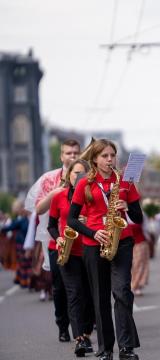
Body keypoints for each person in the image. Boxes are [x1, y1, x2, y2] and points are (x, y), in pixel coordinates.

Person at [67, 139, 143, 360]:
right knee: (100, 299)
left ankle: (127, 348)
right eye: (105, 156)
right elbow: (72, 220)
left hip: (123, 241)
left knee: (122, 293)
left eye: (112, 155)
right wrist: (93, 233)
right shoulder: (84, 184)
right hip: (94, 244)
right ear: (95, 159)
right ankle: (105, 349)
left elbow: (138, 218)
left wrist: (127, 207)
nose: (110, 160)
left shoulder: (125, 181)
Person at [31, 139, 81, 342]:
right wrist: (55, 192)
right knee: (59, 287)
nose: (72, 157)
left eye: (76, 153)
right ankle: (62, 324)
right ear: (61, 156)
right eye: (68, 153)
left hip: (83, 239)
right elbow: (39, 209)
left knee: (81, 286)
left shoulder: (84, 175)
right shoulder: (49, 179)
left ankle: (84, 326)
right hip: (56, 240)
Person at [47, 159, 95, 357]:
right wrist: (57, 238)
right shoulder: (58, 197)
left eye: (83, 173)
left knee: (90, 296)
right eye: (75, 173)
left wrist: (88, 223)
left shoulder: (92, 195)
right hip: (68, 252)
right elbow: (51, 224)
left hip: (89, 251)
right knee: (74, 294)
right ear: (69, 176)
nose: (79, 176)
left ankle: (87, 332)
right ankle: (80, 339)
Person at [1, 200, 31, 288]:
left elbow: (11, 226)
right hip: (21, 243)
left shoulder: (23, 219)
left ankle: (26, 281)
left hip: (23, 244)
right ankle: (24, 281)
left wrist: (3, 229)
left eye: (17, 208)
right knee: (22, 263)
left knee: (25, 263)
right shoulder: (21, 219)